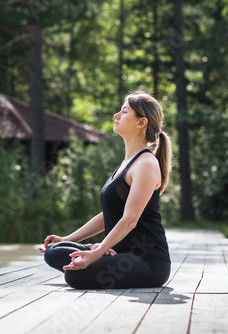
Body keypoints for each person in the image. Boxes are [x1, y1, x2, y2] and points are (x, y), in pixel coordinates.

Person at [38, 91, 172, 289]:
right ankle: (101, 254)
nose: (116, 115)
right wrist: (68, 239)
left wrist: (98, 251)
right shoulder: (126, 164)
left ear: (141, 122)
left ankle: (101, 255)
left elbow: (130, 220)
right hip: (121, 253)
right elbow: (109, 215)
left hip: (147, 261)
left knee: (75, 277)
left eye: (124, 112)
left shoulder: (146, 164)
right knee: (55, 251)